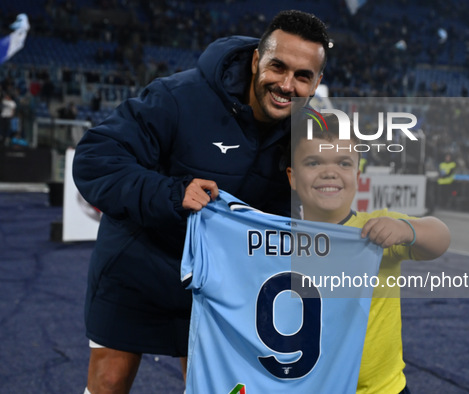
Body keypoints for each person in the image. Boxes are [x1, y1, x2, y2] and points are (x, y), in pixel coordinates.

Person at [72, 10, 329, 394]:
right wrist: (172, 193)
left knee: (212, 386)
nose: (287, 85)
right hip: (139, 266)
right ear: (257, 60)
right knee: (110, 381)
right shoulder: (178, 97)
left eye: (303, 76)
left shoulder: (307, 133)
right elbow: (95, 158)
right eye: (278, 67)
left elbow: (305, 212)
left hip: (217, 284)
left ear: (317, 81)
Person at [286, 114, 451, 393]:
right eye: (313, 162)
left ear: (357, 176)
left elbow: (440, 236)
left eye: (344, 163)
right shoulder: (276, 239)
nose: (330, 172)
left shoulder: (378, 226)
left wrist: (407, 229)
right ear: (292, 177)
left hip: (381, 389)